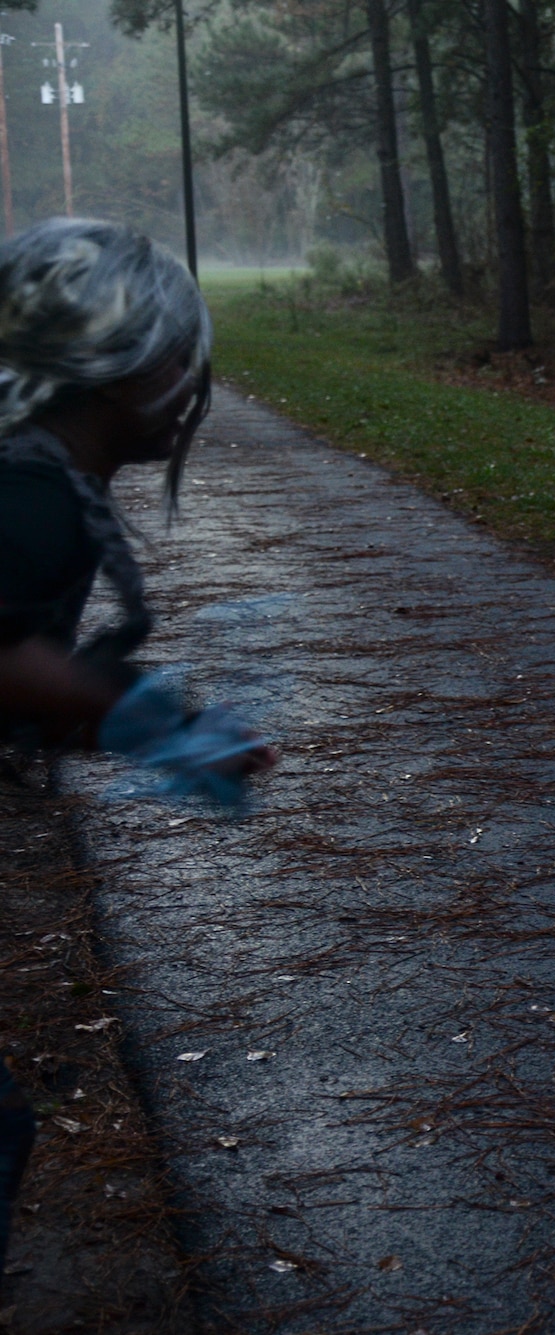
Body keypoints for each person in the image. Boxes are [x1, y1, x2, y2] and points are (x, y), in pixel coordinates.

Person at [0, 218, 275, 1265]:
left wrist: (116, 713)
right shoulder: (27, 497)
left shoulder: (31, 477)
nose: (191, 378)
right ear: (111, 368)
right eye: (173, 354)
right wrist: (145, 722)